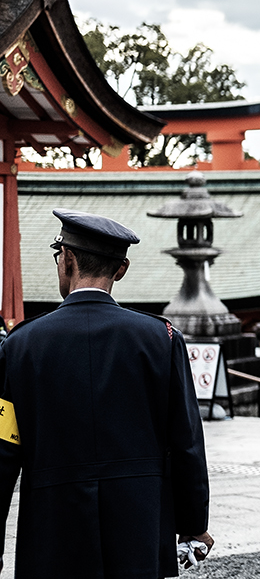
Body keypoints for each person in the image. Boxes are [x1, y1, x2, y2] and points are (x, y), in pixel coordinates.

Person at [0, 209, 212, 576]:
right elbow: (186, 441)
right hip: (140, 525)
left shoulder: (20, 346)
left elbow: (3, 454)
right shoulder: (160, 338)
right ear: (121, 269)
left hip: (53, 524)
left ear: (66, 259)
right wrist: (195, 526)